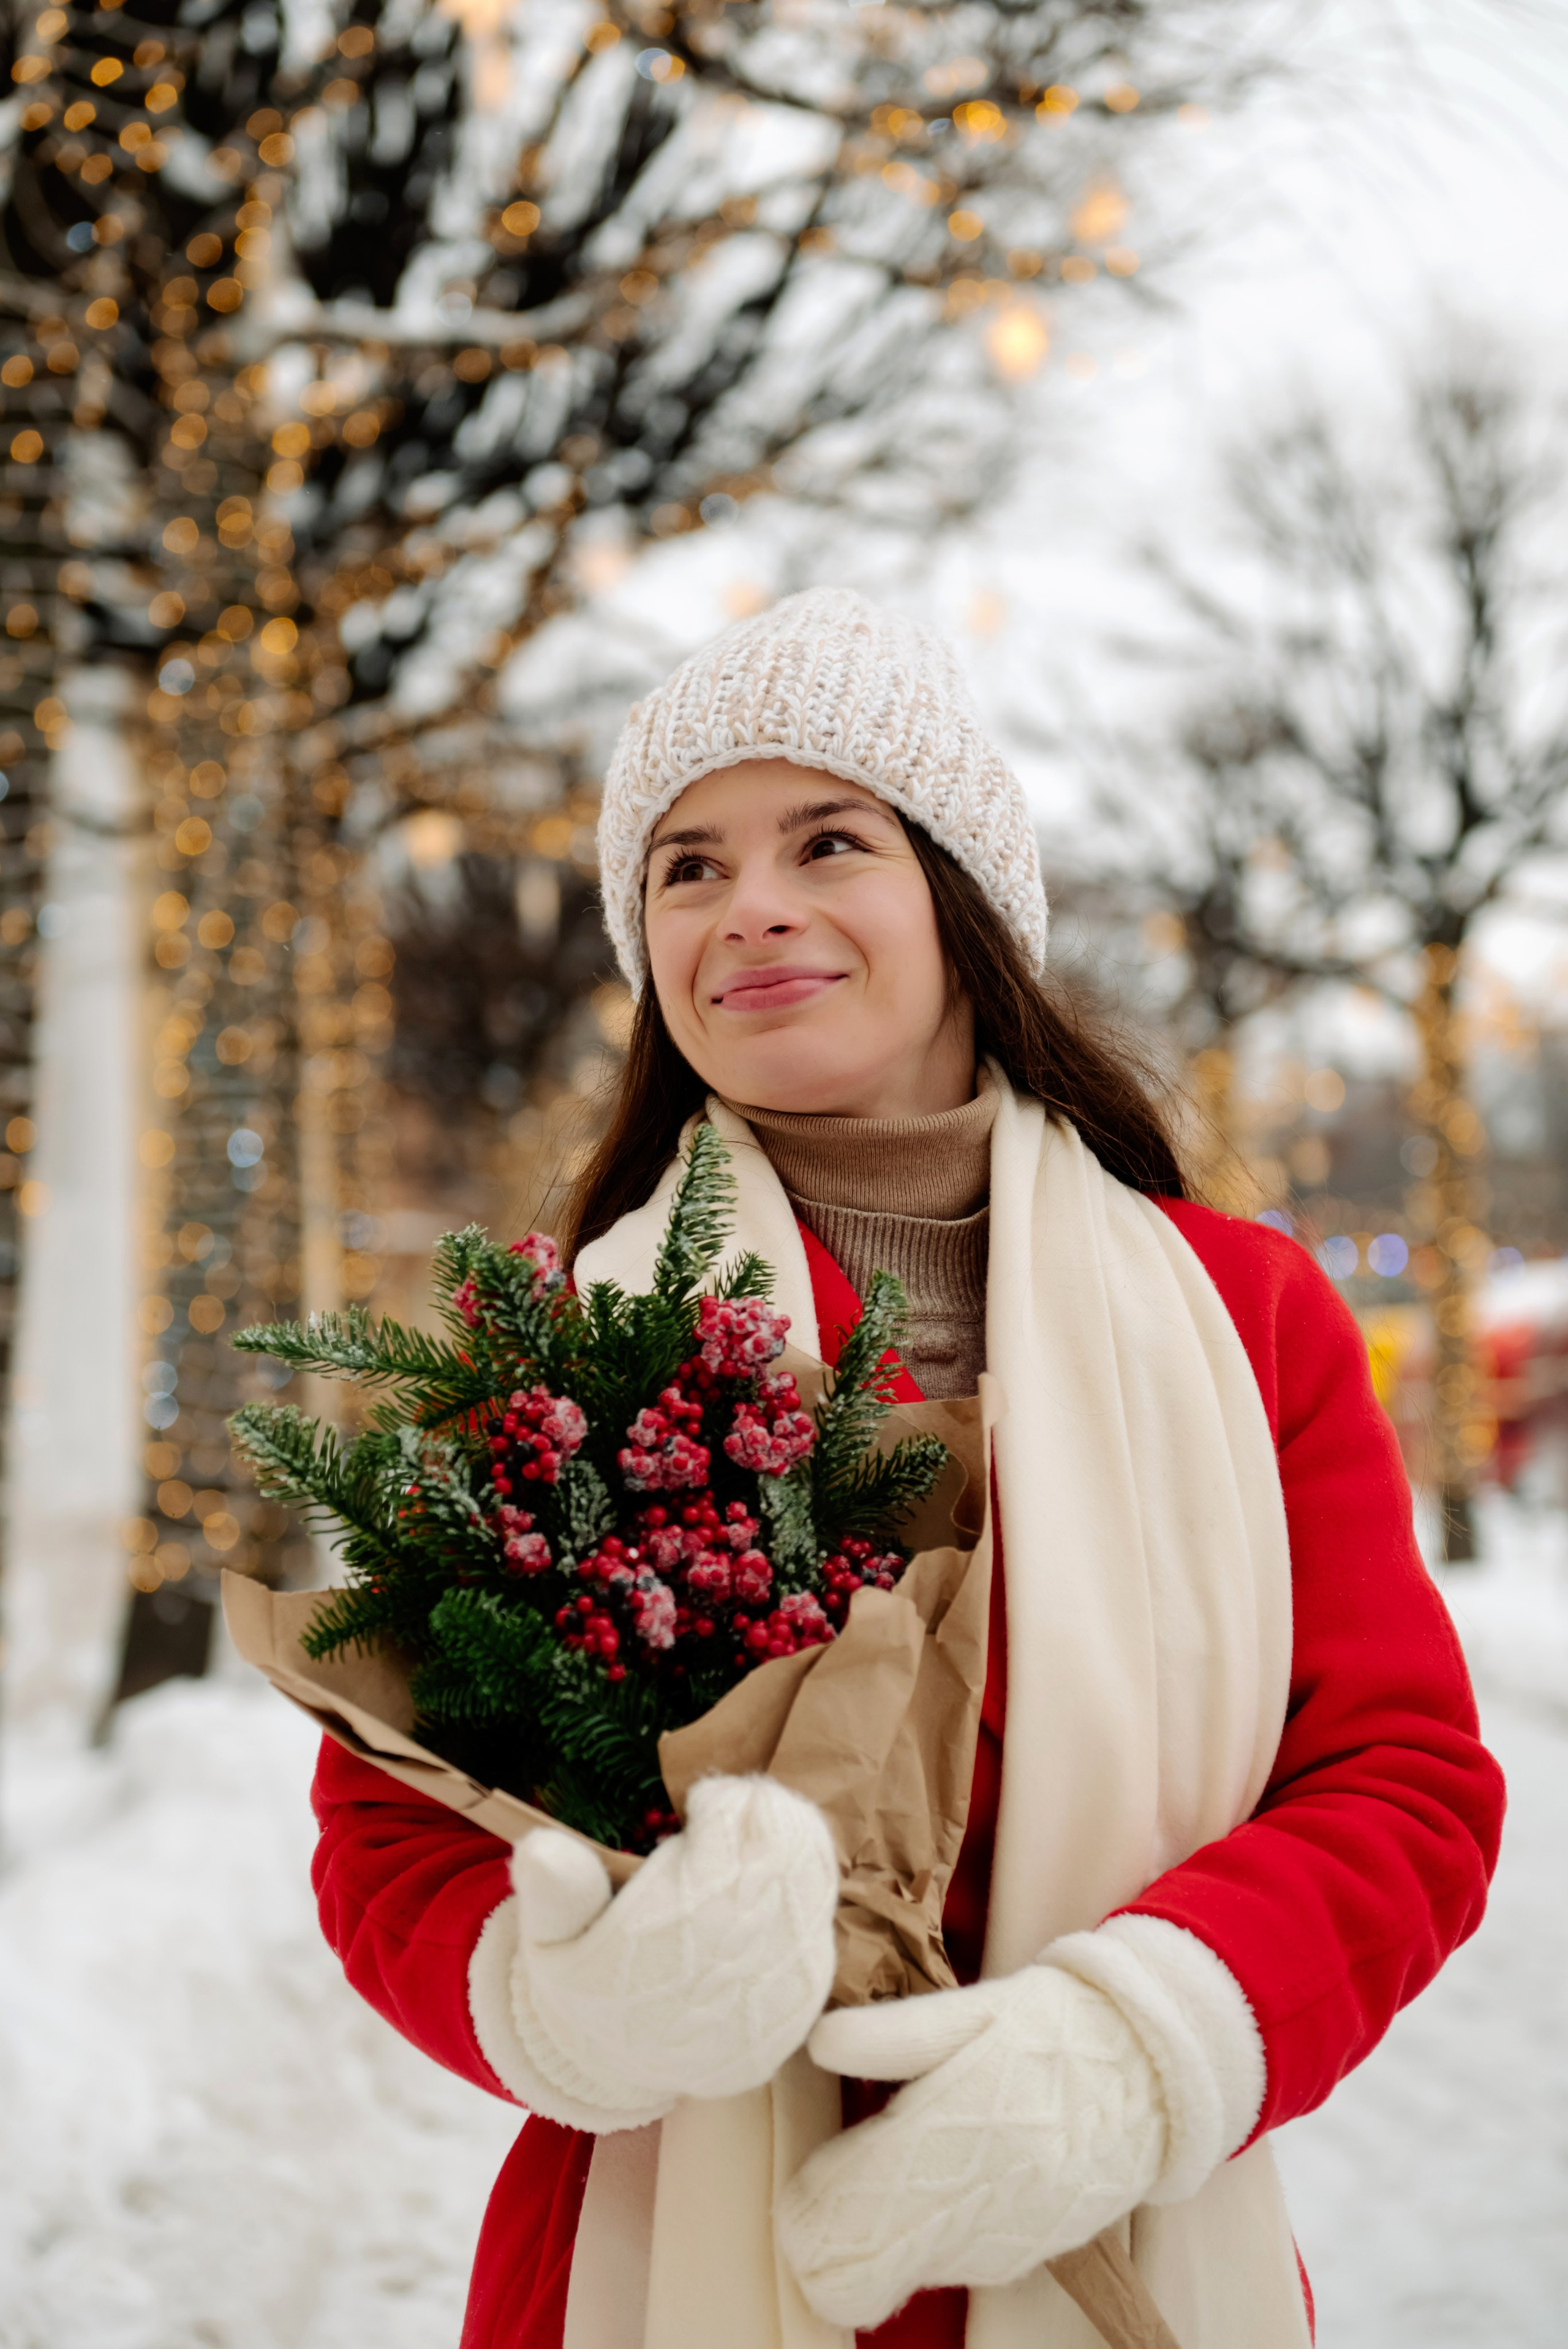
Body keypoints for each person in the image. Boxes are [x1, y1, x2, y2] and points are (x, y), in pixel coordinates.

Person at [311, 589, 1504, 2349]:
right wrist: (576, 2007)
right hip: (655, 2269)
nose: (754, 907)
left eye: (828, 839)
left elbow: (1399, 1782)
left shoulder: (1247, 1317)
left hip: (1116, 2241)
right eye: (688, 867)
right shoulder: (560, 1347)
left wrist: (1143, 2046)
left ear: (958, 897)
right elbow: (391, 1831)